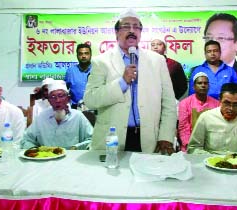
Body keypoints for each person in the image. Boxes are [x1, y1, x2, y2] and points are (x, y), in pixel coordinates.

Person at [84, 9, 177, 154]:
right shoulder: (101, 62)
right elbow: (90, 100)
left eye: (136, 27)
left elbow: (169, 103)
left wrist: (166, 136)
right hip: (111, 138)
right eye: (126, 27)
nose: (132, 30)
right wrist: (122, 82)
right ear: (116, 32)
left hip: (148, 140)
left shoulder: (157, 61)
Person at [21, 80, 93, 150]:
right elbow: (26, 140)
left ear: (68, 98)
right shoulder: (41, 117)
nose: (57, 100)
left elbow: (92, 139)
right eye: (52, 97)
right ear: (49, 100)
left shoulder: (77, 116)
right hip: (46, 159)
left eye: (61, 96)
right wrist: (36, 151)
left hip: (72, 158)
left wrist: (76, 147)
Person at [187, 83, 237, 154]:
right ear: (220, 100)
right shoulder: (206, 117)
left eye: (236, 104)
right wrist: (211, 159)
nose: (231, 108)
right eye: (227, 103)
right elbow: (193, 148)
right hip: (209, 160)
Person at [178, 72, 219, 152]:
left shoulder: (216, 104)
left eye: (205, 83)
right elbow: (183, 127)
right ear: (194, 87)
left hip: (211, 147)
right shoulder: (184, 103)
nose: (203, 85)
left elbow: (217, 127)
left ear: (209, 86)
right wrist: (190, 145)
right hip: (189, 146)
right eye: (200, 83)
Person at [64, 43, 92, 109]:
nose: (83, 56)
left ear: (90, 55)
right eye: (80, 54)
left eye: (86, 53)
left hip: (94, 108)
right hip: (75, 108)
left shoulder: (97, 70)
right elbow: (63, 90)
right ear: (77, 56)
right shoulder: (71, 71)